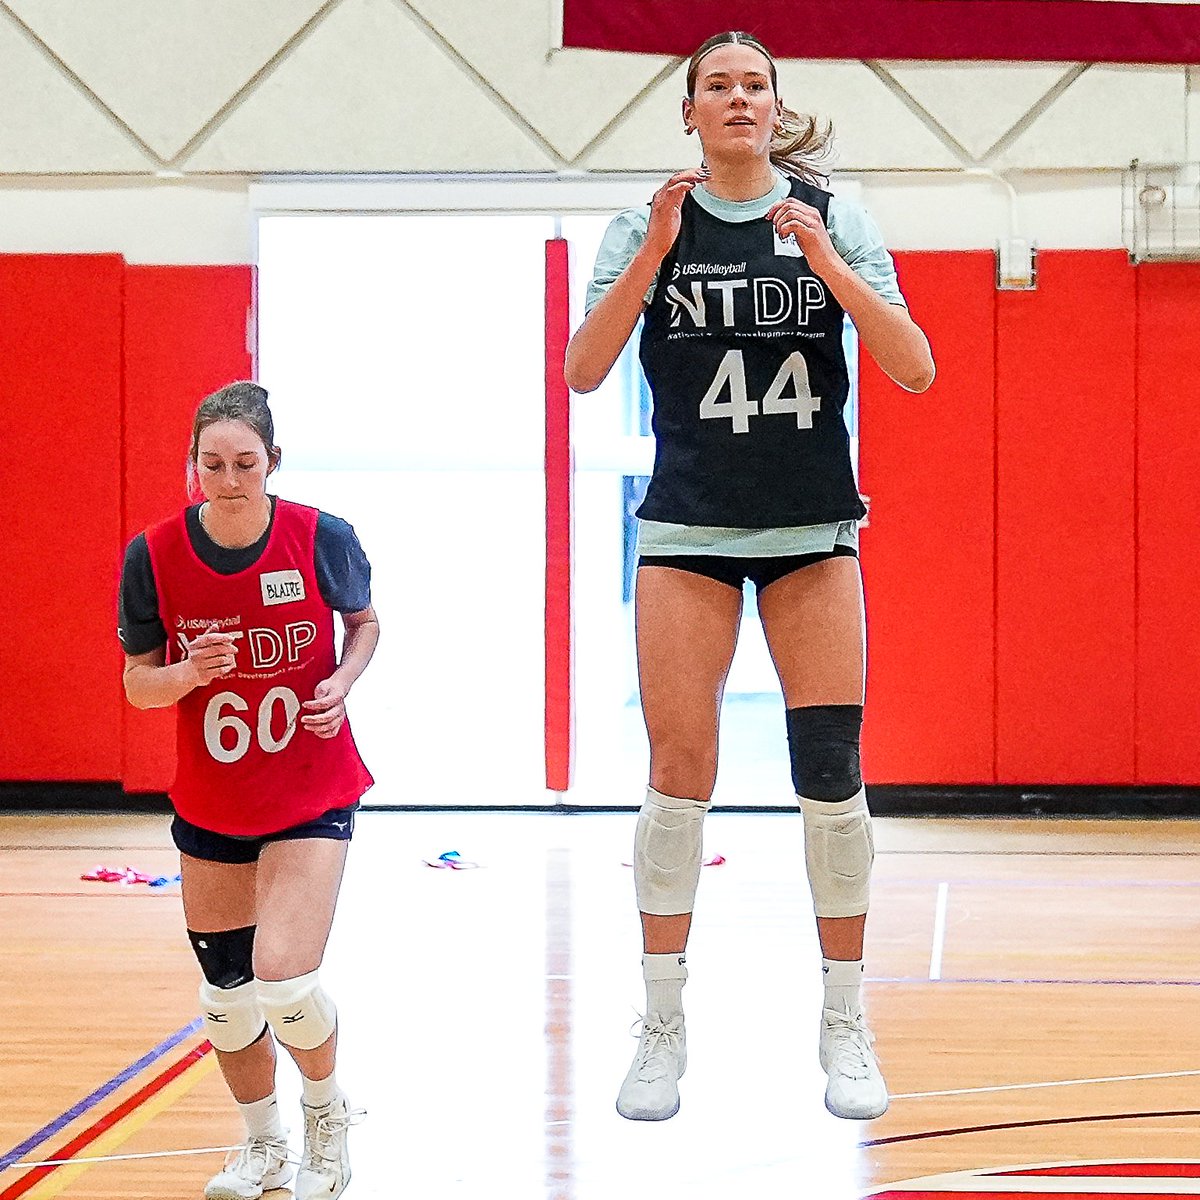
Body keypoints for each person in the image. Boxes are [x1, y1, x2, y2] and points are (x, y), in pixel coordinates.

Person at [564, 30, 934, 1123]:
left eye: (755, 84)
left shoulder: (834, 217)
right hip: (690, 530)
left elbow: (913, 366)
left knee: (830, 770)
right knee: (679, 773)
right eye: (716, 86)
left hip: (813, 527)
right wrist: (653, 253)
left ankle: (844, 1016)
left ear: (777, 107)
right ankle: (663, 1020)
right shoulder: (645, 223)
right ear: (689, 113)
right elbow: (583, 370)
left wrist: (821, 260)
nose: (737, 98)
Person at [118, 381, 378, 1199]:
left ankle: (327, 1120)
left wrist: (340, 681)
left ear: (273, 463)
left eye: (245, 463)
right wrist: (187, 673)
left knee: (287, 984)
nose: (228, 479)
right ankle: (263, 1144)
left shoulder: (319, 537)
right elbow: (137, 685)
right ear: (192, 466)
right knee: (227, 1002)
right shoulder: (153, 554)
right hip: (213, 802)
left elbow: (365, 622)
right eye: (212, 463)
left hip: (309, 787)